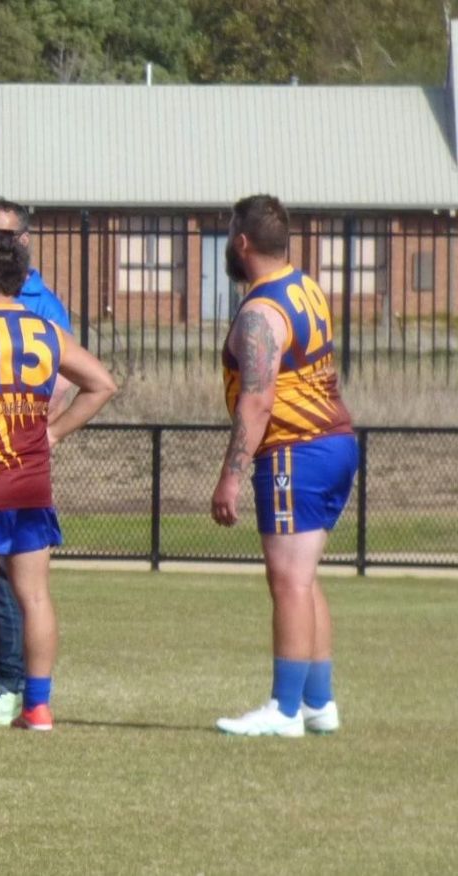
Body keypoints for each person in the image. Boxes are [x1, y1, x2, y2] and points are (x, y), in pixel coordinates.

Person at [0, 232, 116, 732]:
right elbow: (102, 384)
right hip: (31, 479)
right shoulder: (46, 332)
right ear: (22, 279)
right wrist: (53, 432)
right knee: (35, 596)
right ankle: (38, 706)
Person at [211, 195, 355, 738]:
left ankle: (285, 708)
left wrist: (230, 475)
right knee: (304, 577)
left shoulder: (260, 312)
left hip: (297, 448)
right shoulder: (304, 286)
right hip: (334, 440)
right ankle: (318, 702)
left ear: (242, 242)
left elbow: (257, 399)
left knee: (289, 579)